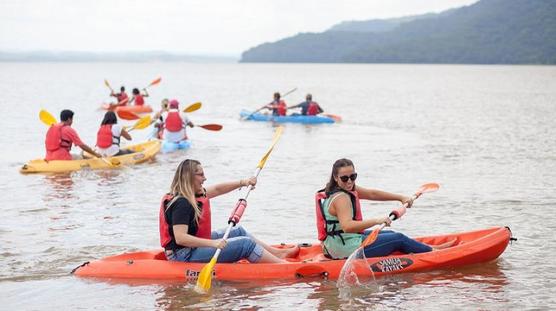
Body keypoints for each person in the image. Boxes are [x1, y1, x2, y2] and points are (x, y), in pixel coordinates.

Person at [159, 159, 299, 263]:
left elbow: (218, 189)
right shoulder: (181, 203)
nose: (205, 178)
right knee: (245, 244)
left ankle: (278, 254)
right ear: (189, 178)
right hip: (182, 255)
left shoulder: (194, 194)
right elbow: (181, 238)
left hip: (190, 249)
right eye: (201, 175)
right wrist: (213, 243)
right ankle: (282, 265)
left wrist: (244, 182)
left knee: (238, 231)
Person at [315, 158, 456, 259]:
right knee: (398, 238)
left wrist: (401, 197)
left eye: (353, 176)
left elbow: (372, 194)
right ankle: (434, 253)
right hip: (343, 248)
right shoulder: (341, 198)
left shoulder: (342, 189)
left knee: (388, 233)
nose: (350, 181)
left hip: (338, 243)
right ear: (335, 177)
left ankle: (430, 249)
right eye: (345, 178)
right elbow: (347, 226)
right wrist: (377, 220)